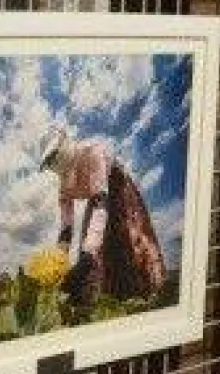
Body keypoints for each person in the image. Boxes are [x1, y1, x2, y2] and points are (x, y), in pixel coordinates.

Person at [37, 129, 168, 312]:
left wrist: (87, 256)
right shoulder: (64, 184)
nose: (54, 163)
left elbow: (101, 204)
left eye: (54, 154)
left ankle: (147, 297)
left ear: (65, 143)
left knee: (127, 239)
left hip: (118, 190)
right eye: (49, 161)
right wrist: (59, 262)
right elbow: (66, 226)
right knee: (95, 250)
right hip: (97, 197)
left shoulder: (92, 152)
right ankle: (108, 302)